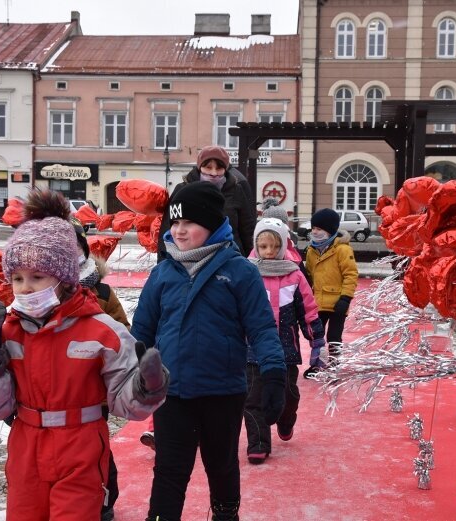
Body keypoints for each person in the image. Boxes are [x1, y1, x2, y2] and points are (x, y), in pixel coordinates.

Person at [0, 188, 169, 520]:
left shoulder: (102, 331)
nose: (25, 287)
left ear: (64, 278)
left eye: (37, 277)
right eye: (17, 278)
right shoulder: (8, 331)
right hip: (26, 447)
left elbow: (124, 402)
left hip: (81, 448)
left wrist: (147, 385)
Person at [131, 182, 286, 521]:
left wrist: (274, 372)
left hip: (223, 391)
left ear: (212, 224)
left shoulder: (240, 271)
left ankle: (226, 515)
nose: (179, 230)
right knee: (170, 471)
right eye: (174, 223)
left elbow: (261, 327)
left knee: (222, 466)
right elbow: (140, 332)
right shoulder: (162, 273)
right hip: (171, 394)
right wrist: (131, 372)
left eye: (189, 222)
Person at [244, 218, 326, 464]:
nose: (268, 252)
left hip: (285, 348)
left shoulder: (294, 275)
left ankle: (286, 418)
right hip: (252, 349)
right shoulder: (247, 273)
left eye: (273, 246)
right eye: (263, 246)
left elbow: (308, 309)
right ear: (256, 247)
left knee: (289, 393)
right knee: (252, 398)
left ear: (282, 247)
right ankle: (258, 442)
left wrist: (316, 340)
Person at [73, 219, 130, 521]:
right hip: (54, 394)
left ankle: (105, 500)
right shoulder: (38, 291)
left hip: (94, 394)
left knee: (96, 449)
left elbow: (123, 334)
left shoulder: (103, 293)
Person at [157, 145, 256, 260]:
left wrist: (252, 261)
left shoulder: (236, 190)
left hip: (230, 258)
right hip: (189, 260)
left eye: (219, 168)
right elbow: (166, 229)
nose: (214, 173)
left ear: (225, 169)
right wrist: (163, 263)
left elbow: (248, 231)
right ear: (199, 168)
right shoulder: (182, 190)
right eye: (208, 167)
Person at [303, 208, 359, 378]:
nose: (315, 232)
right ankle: (316, 365)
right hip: (317, 302)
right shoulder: (312, 250)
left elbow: (351, 275)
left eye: (319, 229)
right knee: (317, 336)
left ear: (330, 230)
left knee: (334, 336)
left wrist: (345, 298)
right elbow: (310, 275)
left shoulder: (342, 250)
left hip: (337, 304)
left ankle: (334, 365)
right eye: (313, 228)